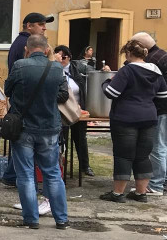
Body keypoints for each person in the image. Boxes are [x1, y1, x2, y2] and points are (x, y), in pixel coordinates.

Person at [4, 34, 70, 229]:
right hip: (49, 127)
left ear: (27, 49)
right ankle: (61, 219)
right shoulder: (57, 68)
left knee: (25, 174)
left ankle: (31, 219)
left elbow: (8, 90)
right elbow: (64, 95)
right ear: (47, 50)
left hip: (23, 127)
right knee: (52, 174)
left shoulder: (19, 66)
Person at [99, 39, 167, 203]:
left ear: (128, 53)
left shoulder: (127, 70)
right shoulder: (156, 72)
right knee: (143, 156)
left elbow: (111, 93)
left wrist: (107, 82)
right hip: (149, 117)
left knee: (123, 155)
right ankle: (141, 193)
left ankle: (117, 193)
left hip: (125, 117)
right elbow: (163, 96)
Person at [131, 32, 167, 197]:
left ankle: (156, 184)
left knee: (157, 147)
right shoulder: (162, 55)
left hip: (159, 109)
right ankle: (162, 181)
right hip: (162, 108)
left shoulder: (152, 60)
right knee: (163, 146)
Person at [53, 45, 93, 177]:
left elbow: (85, 82)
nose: (61, 59)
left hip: (77, 109)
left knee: (80, 138)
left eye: (63, 57)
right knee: (61, 138)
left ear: (69, 57)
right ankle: (59, 164)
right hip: (61, 110)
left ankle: (85, 166)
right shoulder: (54, 69)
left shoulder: (76, 69)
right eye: (58, 56)